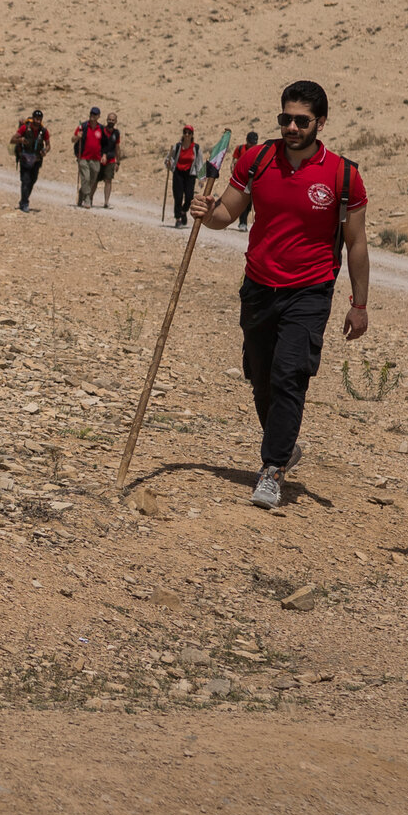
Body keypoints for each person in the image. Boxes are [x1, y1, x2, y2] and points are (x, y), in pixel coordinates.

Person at [191, 81, 370, 510]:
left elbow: (357, 244)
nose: (291, 127)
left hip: (309, 290)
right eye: (285, 118)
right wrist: (206, 213)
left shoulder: (344, 176)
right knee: (260, 375)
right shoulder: (258, 160)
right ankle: (284, 446)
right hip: (258, 285)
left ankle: (272, 468)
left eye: (301, 120)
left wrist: (359, 304)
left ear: (320, 123)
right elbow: (227, 213)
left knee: (290, 376)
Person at [10, 108, 49, 211]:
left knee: (32, 180)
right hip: (25, 159)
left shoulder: (43, 131)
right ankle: (24, 203)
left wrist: (45, 150)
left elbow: (48, 145)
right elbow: (12, 140)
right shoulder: (24, 128)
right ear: (33, 118)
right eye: (36, 118)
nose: (38, 121)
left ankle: (24, 200)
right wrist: (20, 140)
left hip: (36, 159)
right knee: (25, 180)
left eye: (39, 119)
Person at [73, 106, 107, 208]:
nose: (92, 116)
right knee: (86, 178)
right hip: (83, 157)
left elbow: (105, 144)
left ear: (98, 116)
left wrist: (104, 155)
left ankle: (82, 192)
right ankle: (87, 199)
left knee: (92, 179)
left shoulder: (101, 129)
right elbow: (73, 139)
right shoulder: (82, 127)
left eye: (95, 114)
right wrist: (77, 136)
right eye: (91, 114)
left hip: (96, 158)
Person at [168, 126, 200, 227]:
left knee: (189, 197)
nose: (186, 135)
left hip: (190, 174)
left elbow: (199, 163)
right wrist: (168, 163)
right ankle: (178, 218)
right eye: (185, 132)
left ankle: (183, 211)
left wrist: (201, 178)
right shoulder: (177, 147)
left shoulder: (196, 148)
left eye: (189, 133)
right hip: (178, 173)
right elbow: (169, 159)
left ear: (192, 135)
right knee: (178, 196)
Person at [96, 111, 122, 207]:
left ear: (116, 121)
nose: (111, 121)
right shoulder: (101, 131)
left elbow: (117, 147)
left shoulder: (116, 133)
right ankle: (89, 198)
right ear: (106, 120)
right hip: (99, 158)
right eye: (109, 119)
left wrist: (117, 162)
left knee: (108, 180)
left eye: (113, 120)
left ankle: (106, 202)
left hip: (111, 160)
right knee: (95, 179)